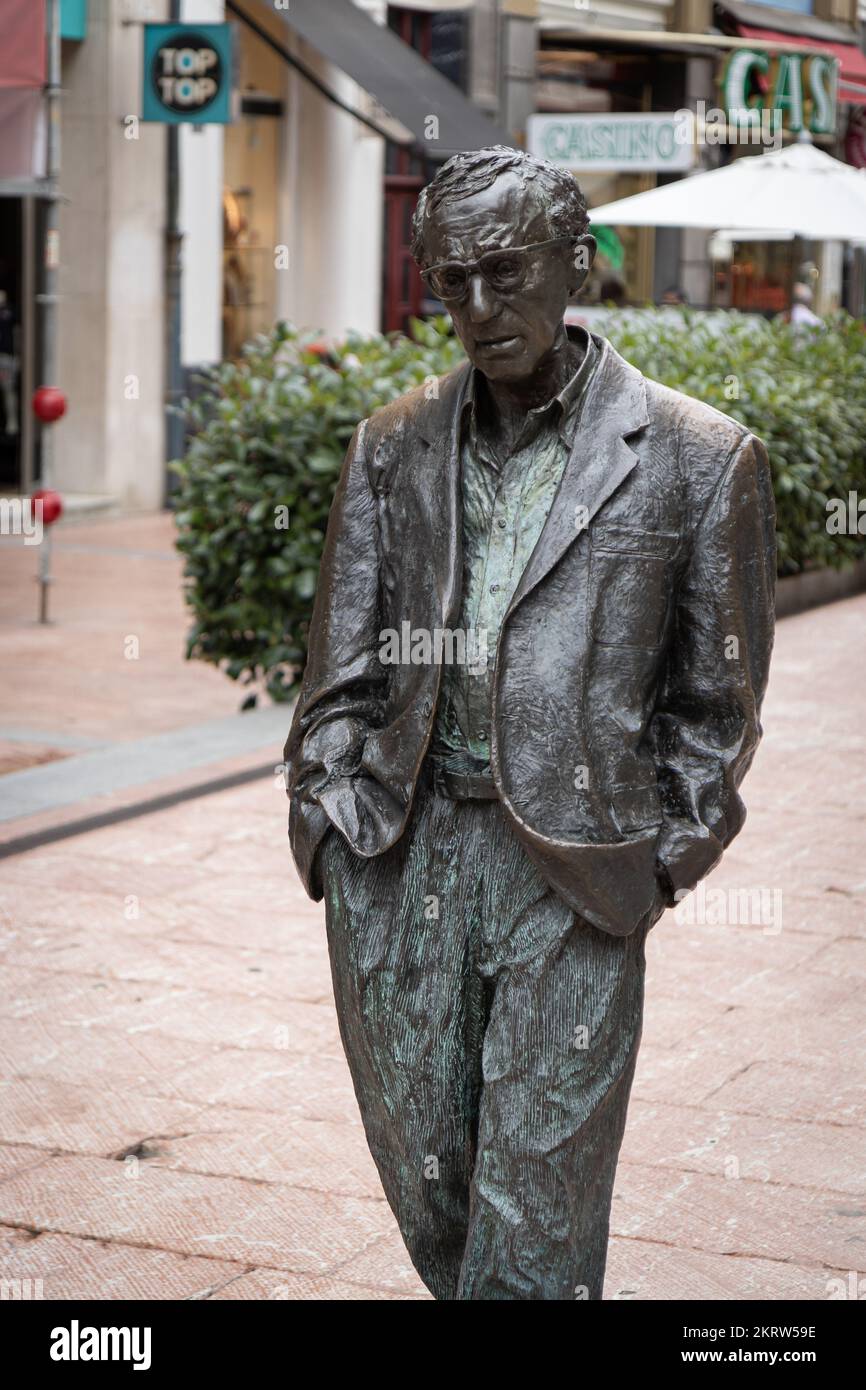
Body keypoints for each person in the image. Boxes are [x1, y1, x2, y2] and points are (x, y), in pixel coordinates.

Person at [284, 146, 776, 1301]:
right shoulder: (391, 442)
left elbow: (718, 701)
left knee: (536, 1186)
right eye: (449, 281)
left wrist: (661, 859)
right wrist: (327, 823)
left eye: (503, 271)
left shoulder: (699, 461)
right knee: (428, 1174)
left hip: (573, 867)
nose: (476, 307)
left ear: (578, 265)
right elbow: (338, 667)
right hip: (398, 854)